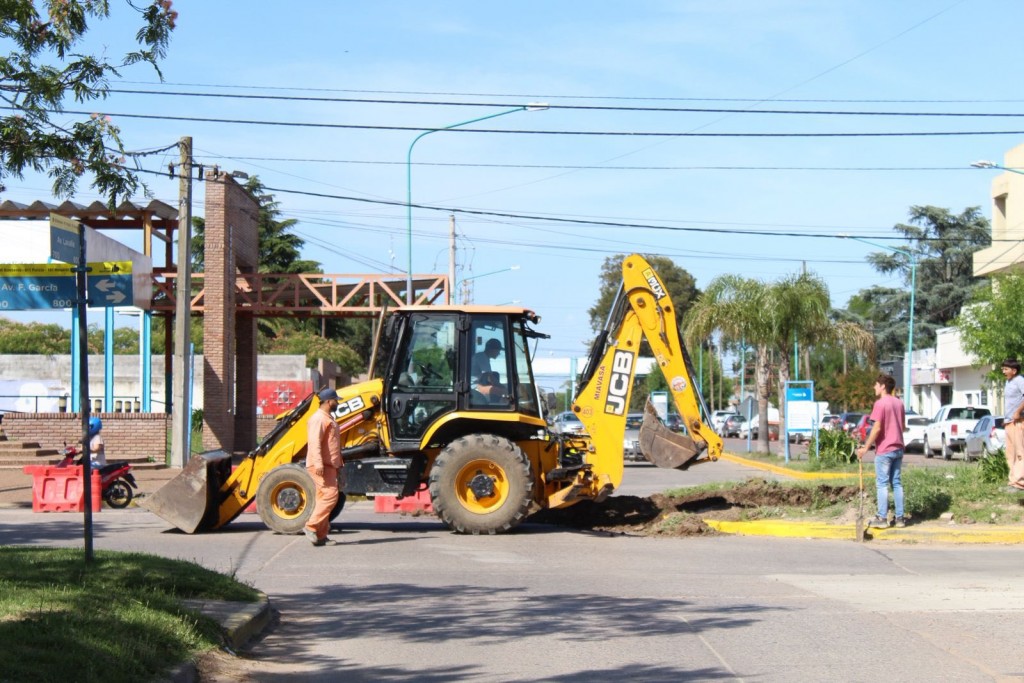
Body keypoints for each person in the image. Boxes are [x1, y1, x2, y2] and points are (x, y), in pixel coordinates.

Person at [856, 374, 907, 528]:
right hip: (898, 448)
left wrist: (865, 447)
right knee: (896, 483)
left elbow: (877, 428)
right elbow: (903, 426)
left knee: (882, 484)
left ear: (883, 386)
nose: (874, 387)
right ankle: (900, 518)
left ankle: (882, 518)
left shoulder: (880, 403)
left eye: (876, 384)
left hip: (885, 449)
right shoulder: (899, 403)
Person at [304, 387, 343, 546]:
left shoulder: (327, 418)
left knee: (324, 499)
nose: (337, 403)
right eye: (335, 400)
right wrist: (319, 463)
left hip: (329, 466)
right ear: (328, 401)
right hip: (321, 466)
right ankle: (311, 526)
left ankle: (321, 536)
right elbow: (314, 443)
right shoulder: (319, 419)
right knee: (330, 495)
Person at [1000, 358, 1024, 492]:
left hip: (1018, 421)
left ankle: (1020, 483)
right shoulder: (1008, 382)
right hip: (1009, 421)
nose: (1003, 371)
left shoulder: (1020, 380)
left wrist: (1018, 412)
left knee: (1020, 452)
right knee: (1010, 453)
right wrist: (1006, 418)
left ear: (1014, 371)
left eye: (1006, 369)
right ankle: (1013, 481)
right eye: (1003, 369)